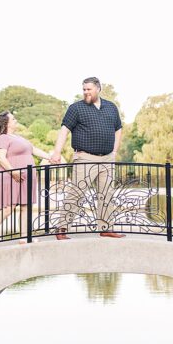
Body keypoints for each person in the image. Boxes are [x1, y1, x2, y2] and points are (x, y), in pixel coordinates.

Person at [49, 76, 125, 239]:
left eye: (89, 89)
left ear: (98, 89)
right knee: (77, 192)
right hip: (85, 157)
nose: (86, 92)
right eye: (84, 89)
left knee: (106, 194)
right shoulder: (76, 108)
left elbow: (118, 129)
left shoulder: (111, 107)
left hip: (107, 159)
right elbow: (64, 130)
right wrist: (57, 152)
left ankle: (106, 227)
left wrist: (114, 151)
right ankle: (62, 228)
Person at [0, 111, 51, 249]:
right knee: (8, 208)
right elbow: (1, 158)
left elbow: (33, 150)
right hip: (11, 177)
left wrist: (50, 157)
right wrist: (13, 171)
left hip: (25, 178)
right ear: (6, 123)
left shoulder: (18, 137)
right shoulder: (3, 138)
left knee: (25, 206)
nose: (16, 120)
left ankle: (25, 237)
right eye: (13, 119)